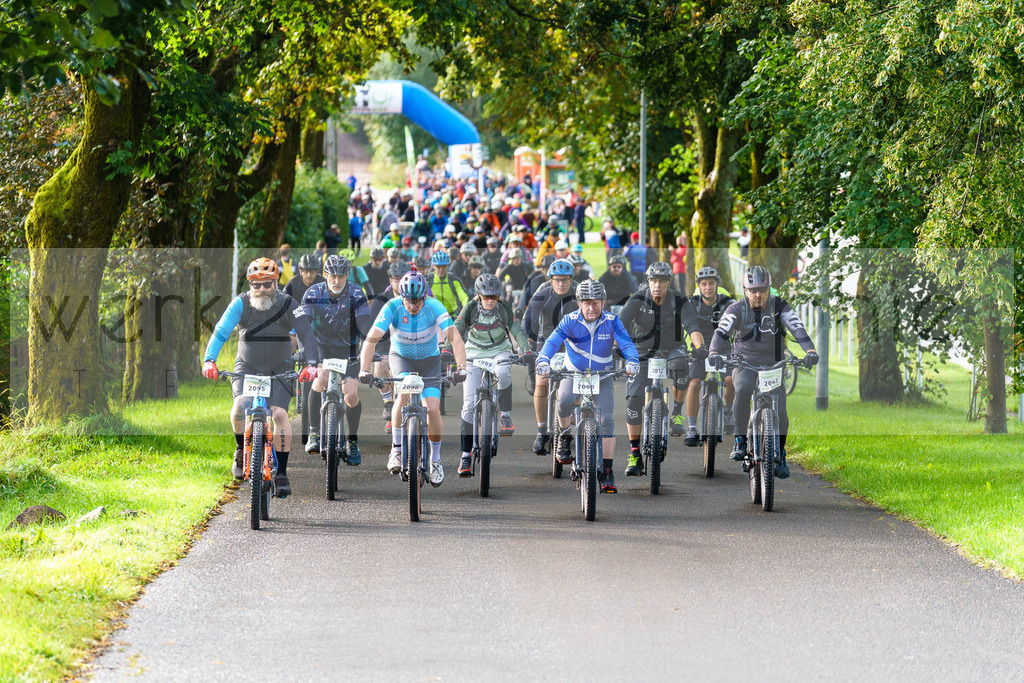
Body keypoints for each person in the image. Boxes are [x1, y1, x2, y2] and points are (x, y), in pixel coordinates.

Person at [201, 258, 319, 498]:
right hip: (247, 365)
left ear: (276, 283)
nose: (261, 289)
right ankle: (239, 449)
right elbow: (222, 330)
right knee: (239, 406)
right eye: (256, 285)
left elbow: (306, 332)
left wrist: (312, 364)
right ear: (250, 284)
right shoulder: (240, 303)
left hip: (280, 367)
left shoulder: (288, 303)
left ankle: (282, 473)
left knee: (279, 414)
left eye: (267, 284)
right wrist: (209, 359)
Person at [358, 271, 468, 485]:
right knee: (404, 395)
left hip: (429, 360)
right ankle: (396, 450)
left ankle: (435, 459)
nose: (412, 305)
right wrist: (364, 369)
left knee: (433, 409)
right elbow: (371, 340)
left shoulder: (434, 306)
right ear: (402, 296)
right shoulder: (392, 306)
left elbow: (455, 338)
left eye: (417, 301)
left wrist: (461, 367)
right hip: (401, 358)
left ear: (425, 298)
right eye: (408, 300)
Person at [709, 265, 819, 478]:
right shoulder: (736, 309)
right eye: (753, 290)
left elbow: (797, 327)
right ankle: (740, 441)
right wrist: (714, 351)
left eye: (762, 290)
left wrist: (810, 350)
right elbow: (721, 331)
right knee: (742, 390)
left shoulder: (779, 306)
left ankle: (781, 452)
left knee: (781, 412)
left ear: (769, 290)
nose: (758, 295)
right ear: (745, 290)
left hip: (774, 364)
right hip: (745, 362)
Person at [535, 279, 639, 493]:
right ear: (579, 303)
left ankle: (608, 471)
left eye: (596, 302)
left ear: (603, 302)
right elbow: (553, 342)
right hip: (574, 373)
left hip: (602, 376)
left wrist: (632, 361)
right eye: (586, 303)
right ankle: (564, 435)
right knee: (563, 402)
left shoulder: (612, 321)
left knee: (608, 419)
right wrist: (543, 360)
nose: (591, 307)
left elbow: (626, 343)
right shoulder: (569, 320)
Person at [618, 262, 706, 476]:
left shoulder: (679, 300)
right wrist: (617, 347)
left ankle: (676, 412)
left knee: (681, 368)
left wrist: (700, 347)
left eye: (662, 281)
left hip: (672, 349)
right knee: (634, 400)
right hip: (642, 351)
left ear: (669, 282)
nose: (657, 285)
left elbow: (691, 325)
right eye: (653, 281)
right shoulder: (637, 300)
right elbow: (619, 324)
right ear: (648, 282)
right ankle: (635, 452)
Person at [453, 273, 533, 477]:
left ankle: (504, 415)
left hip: (499, 349)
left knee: (504, 372)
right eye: (486, 297)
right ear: (478, 295)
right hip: (474, 351)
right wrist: (447, 350)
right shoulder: (470, 307)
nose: (490, 301)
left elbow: (515, 328)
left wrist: (525, 349)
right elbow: (458, 328)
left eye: (494, 297)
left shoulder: (503, 308)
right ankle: (465, 454)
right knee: (468, 405)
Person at [301, 255, 371, 464]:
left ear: (347, 275)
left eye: (341, 276)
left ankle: (352, 440)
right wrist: (306, 351)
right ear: (325, 275)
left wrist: (368, 347)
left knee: (350, 395)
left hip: (348, 348)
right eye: (333, 275)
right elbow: (304, 323)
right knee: (319, 381)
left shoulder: (357, 293)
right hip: (321, 346)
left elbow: (365, 324)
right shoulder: (313, 293)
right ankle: (314, 433)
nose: (337, 280)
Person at [673, 266, 737, 441]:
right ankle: (692, 428)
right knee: (693, 384)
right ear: (698, 286)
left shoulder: (728, 303)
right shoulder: (691, 304)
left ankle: (728, 412)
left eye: (711, 283)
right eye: (704, 284)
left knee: (731, 381)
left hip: (724, 349)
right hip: (699, 350)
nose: (707, 287)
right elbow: (680, 327)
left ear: (716, 285)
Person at [522, 259, 579, 456]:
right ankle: (541, 431)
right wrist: (526, 339)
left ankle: (573, 418)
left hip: (574, 345)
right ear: (551, 280)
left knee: (579, 382)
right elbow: (528, 318)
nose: (561, 284)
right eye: (557, 280)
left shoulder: (579, 293)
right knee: (541, 383)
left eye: (565, 280)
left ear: (571, 280)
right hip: (547, 343)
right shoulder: (543, 293)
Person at [367, 261, 412, 433]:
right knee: (380, 365)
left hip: (411, 340)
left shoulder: (417, 294)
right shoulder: (381, 299)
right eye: (395, 278)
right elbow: (372, 325)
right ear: (390, 280)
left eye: (402, 278)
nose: (399, 282)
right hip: (386, 341)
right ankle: (388, 402)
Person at [426, 250, 469, 318]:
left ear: (448, 266)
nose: (441, 270)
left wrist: (466, 311)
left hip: (451, 315)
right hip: (433, 316)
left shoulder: (454, 280)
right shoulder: (428, 281)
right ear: (433, 266)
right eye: (438, 267)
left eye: (444, 267)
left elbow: (463, 297)